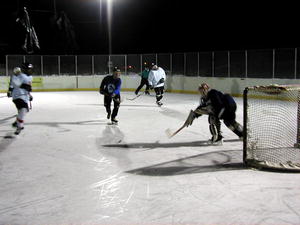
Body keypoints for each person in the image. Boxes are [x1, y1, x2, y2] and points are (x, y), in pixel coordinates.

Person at [8, 62, 33, 135]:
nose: (30, 71)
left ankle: (16, 122)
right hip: (17, 96)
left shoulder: (31, 77)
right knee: (23, 109)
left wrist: (29, 95)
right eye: (28, 69)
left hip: (24, 97)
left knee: (25, 110)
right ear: (24, 69)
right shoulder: (18, 76)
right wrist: (24, 86)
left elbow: (28, 88)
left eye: (31, 69)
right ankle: (19, 126)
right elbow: (15, 83)